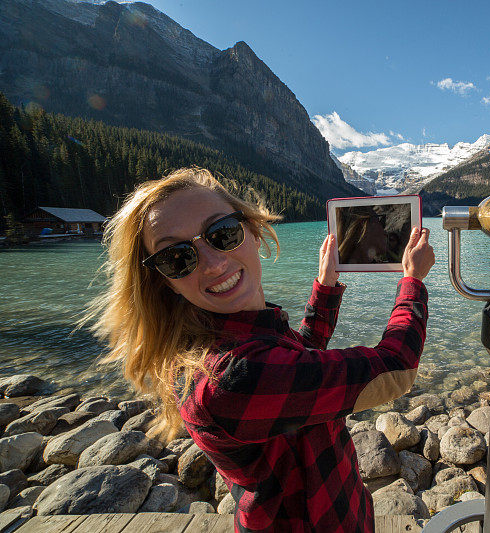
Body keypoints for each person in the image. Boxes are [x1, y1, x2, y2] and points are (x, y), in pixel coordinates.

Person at [83, 167, 435, 532]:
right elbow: (396, 368)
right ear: (163, 281)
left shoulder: (231, 339)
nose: (214, 263)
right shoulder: (232, 376)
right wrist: (412, 281)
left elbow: (300, 363)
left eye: (222, 234)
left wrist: (327, 284)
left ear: (251, 231)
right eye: (176, 257)